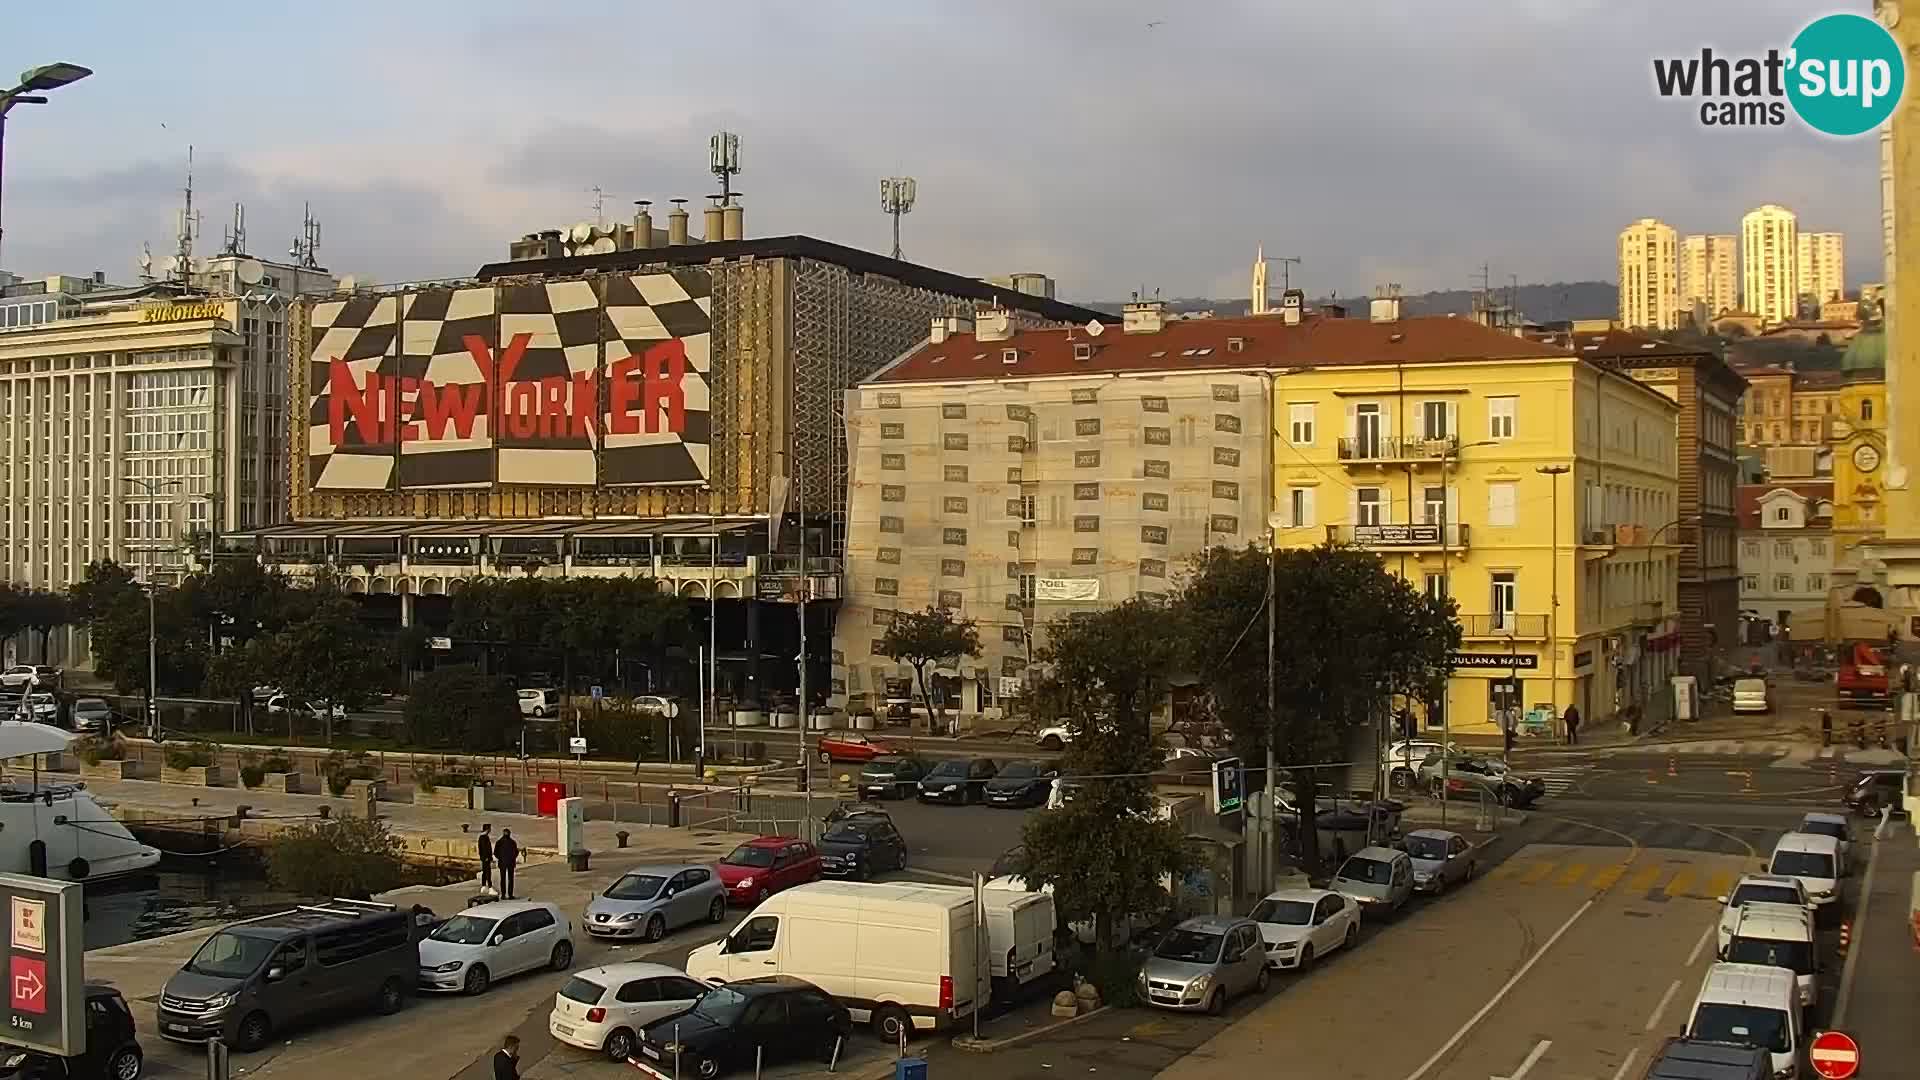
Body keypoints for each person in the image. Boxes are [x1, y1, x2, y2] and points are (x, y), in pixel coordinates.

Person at [495, 828, 519, 900]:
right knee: (510, 879)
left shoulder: (499, 842)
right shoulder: (512, 842)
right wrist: (512, 858)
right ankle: (510, 894)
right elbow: (516, 852)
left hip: (502, 863)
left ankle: (503, 895)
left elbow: (496, 852)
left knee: (503, 879)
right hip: (510, 863)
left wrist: (500, 858)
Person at [476, 823, 494, 889]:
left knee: (485, 871)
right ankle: (489, 885)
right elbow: (484, 848)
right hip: (486, 858)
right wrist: (487, 857)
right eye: (489, 828)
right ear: (487, 829)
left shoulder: (483, 837)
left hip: (484, 857)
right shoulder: (484, 837)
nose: (490, 830)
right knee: (487, 872)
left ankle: (484, 885)